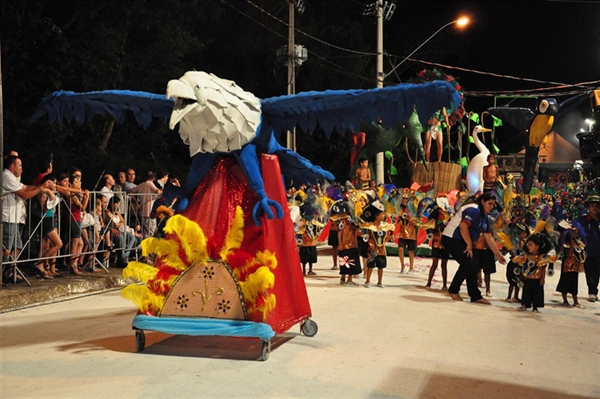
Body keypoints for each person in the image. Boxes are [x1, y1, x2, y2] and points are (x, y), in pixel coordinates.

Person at [442, 192, 507, 304]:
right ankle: (453, 290)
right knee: (468, 263)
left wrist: (498, 254)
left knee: (473, 265)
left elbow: (488, 237)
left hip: (462, 240)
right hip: (451, 238)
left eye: (493, 205)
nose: (492, 207)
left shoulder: (485, 217)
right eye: (490, 204)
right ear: (482, 201)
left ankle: (475, 296)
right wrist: (469, 244)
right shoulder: (473, 209)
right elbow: (463, 227)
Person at [2, 156, 50, 282]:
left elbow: (25, 187)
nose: (22, 169)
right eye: (19, 166)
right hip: (8, 217)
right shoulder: (7, 176)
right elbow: (24, 194)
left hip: (15, 218)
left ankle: (9, 271)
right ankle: (3, 275)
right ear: (12, 166)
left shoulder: (14, 178)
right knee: (6, 249)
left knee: (17, 246)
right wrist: (40, 188)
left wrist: (41, 187)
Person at [513, 233, 556, 313]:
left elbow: (543, 268)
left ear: (537, 247)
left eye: (530, 245)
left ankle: (535, 307)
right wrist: (521, 276)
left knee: (536, 293)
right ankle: (524, 305)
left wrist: (543, 278)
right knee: (526, 292)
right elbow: (523, 266)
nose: (528, 246)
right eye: (528, 244)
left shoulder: (541, 257)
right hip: (527, 278)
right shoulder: (526, 256)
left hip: (537, 278)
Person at [361, 200, 394, 288]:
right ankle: (367, 281)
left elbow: (384, 238)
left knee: (381, 266)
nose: (384, 215)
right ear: (377, 216)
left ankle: (380, 282)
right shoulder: (370, 226)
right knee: (370, 266)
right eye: (382, 214)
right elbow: (368, 237)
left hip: (382, 250)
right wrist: (371, 246)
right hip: (372, 250)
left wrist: (389, 238)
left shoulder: (384, 226)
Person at [331, 200, 361, 286]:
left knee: (345, 261)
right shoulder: (346, 219)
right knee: (349, 261)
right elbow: (340, 232)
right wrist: (340, 243)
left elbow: (355, 229)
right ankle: (348, 279)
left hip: (348, 244)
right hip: (348, 244)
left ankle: (344, 278)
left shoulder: (345, 219)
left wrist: (340, 243)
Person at [576, 194, 600, 302]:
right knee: (589, 271)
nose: (594, 208)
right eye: (592, 206)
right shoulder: (583, 220)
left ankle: (594, 290)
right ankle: (592, 292)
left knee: (597, 272)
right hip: (587, 250)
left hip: (599, 250)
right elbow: (575, 227)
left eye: (596, 206)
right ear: (588, 208)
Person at [556, 227, 586, 309]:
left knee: (574, 284)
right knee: (565, 282)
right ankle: (565, 300)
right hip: (567, 266)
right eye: (574, 232)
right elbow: (568, 253)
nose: (575, 233)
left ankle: (575, 301)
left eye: (576, 231)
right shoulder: (566, 243)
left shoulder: (578, 242)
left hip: (575, 266)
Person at [129, 171, 162, 238]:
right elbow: (157, 191)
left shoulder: (141, 185)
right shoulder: (150, 184)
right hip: (149, 212)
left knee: (145, 232)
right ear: (153, 178)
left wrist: (136, 200)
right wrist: (163, 191)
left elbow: (131, 191)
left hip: (142, 211)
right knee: (151, 232)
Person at [504, 222, 529, 303]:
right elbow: (512, 251)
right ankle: (509, 296)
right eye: (524, 233)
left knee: (519, 281)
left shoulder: (524, 242)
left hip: (520, 263)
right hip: (514, 263)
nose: (525, 235)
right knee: (512, 281)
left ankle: (515, 296)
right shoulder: (514, 241)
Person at [395, 190, 417, 274]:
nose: (404, 200)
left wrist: (410, 218)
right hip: (402, 232)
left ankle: (411, 267)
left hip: (411, 233)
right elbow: (397, 219)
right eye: (403, 198)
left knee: (410, 251)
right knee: (400, 248)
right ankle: (402, 266)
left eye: (406, 199)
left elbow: (416, 223)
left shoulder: (413, 210)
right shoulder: (400, 209)